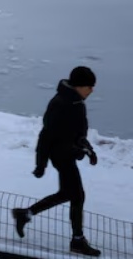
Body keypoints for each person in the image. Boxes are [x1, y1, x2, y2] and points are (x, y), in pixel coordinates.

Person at [12, 66, 101, 256]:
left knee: (68, 193)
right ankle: (77, 240)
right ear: (79, 86)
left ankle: (25, 214)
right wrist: (41, 164)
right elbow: (46, 135)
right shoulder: (61, 103)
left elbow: (79, 133)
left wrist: (88, 149)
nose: (92, 90)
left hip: (69, 153)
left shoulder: (77, 102)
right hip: (60, 156)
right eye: (89, 86)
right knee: (77, 195)